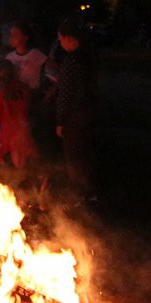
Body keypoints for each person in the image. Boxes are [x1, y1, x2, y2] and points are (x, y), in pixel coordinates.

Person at [54, 16, 98, 201]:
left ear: (69, 38)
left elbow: (66, 93)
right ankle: (89, 192)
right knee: (85, 153)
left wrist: (60, 120)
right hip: (88, 111)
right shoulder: (88, 57)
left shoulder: (71, 61)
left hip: (74, 116)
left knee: (74, 156)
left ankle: (79, 194)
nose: (59, 42)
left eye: (60, 38)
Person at [0, 59, 36, 169]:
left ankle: (12, 178)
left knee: (1, 159)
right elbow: (29, 107)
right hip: (24, 130)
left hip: (7, 134)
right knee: (24, 163)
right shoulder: (25, 88)